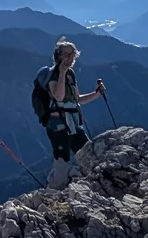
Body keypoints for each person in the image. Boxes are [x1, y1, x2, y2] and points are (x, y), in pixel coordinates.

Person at [32, 38, 106, 189]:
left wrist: (96, 94)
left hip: (72, 123)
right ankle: (53, 191)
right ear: (58, 56)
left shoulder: (71, 74)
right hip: (58, 125)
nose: (70, 58)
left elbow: (77, 99)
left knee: (86, 152)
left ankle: (91, 185)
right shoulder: (53, 74)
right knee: (62, 161)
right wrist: (62, 73)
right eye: (66, 54)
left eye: (73, 54)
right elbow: (58, 96)